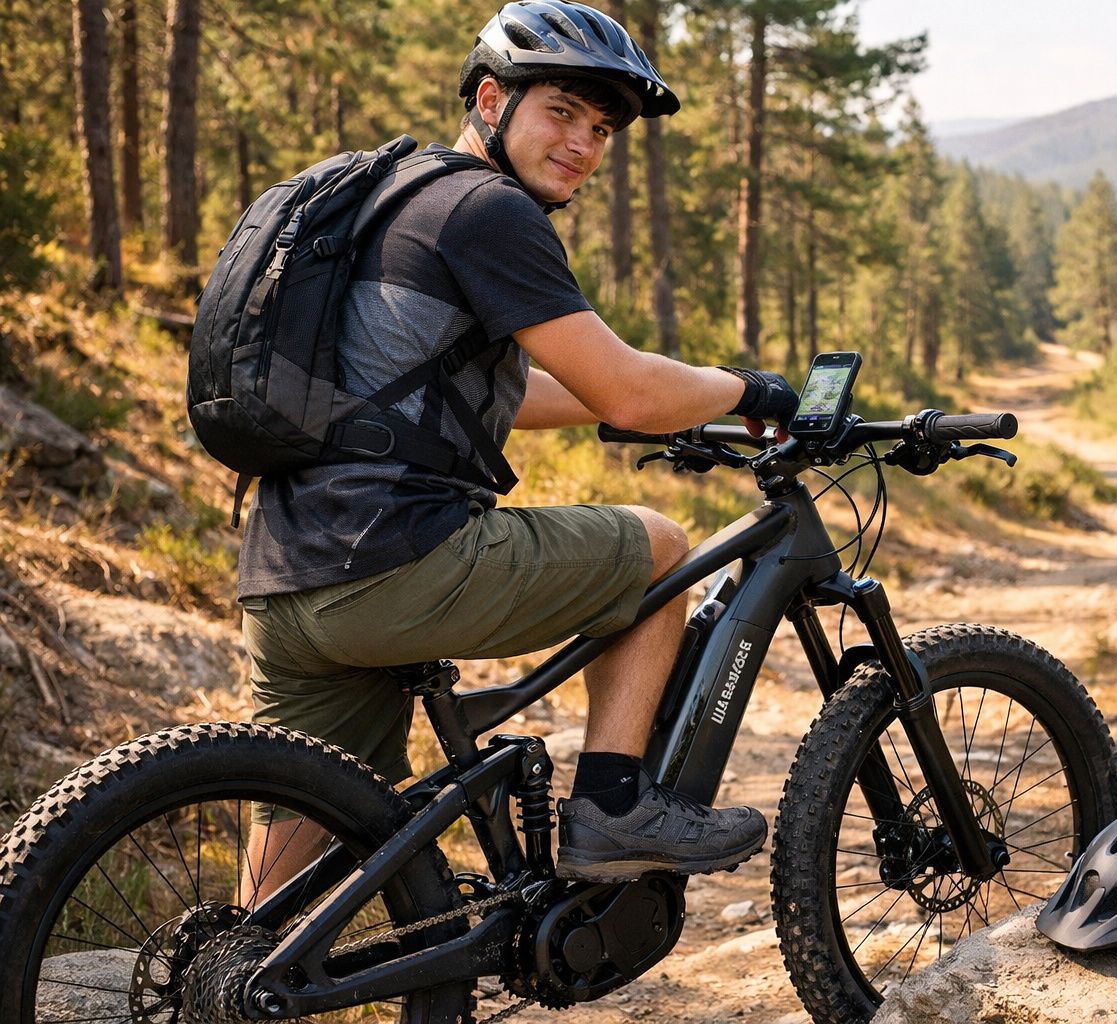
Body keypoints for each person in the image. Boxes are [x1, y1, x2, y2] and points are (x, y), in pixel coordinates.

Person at [237, 0, 798, 891]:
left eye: (603, 128)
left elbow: (474, 393)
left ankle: (232, 977)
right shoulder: (487, 209)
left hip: (284, 576)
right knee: (662, 552)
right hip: (395, 563)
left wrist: (615, 407)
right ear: (492, 101)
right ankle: (613, 808)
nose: (584, 143)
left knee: (293, 863)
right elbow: (628, 386)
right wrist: (751, 390)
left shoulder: (394, 193)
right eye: (562, 113)